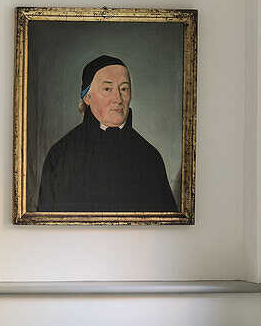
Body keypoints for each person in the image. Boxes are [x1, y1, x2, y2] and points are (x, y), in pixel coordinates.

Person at [37, 54, 178, 213]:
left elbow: (166, 226)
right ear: (87, 97)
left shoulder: (150, 157)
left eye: (124, 89)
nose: (118, 98)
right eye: (107, 89)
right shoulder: (60, 154)